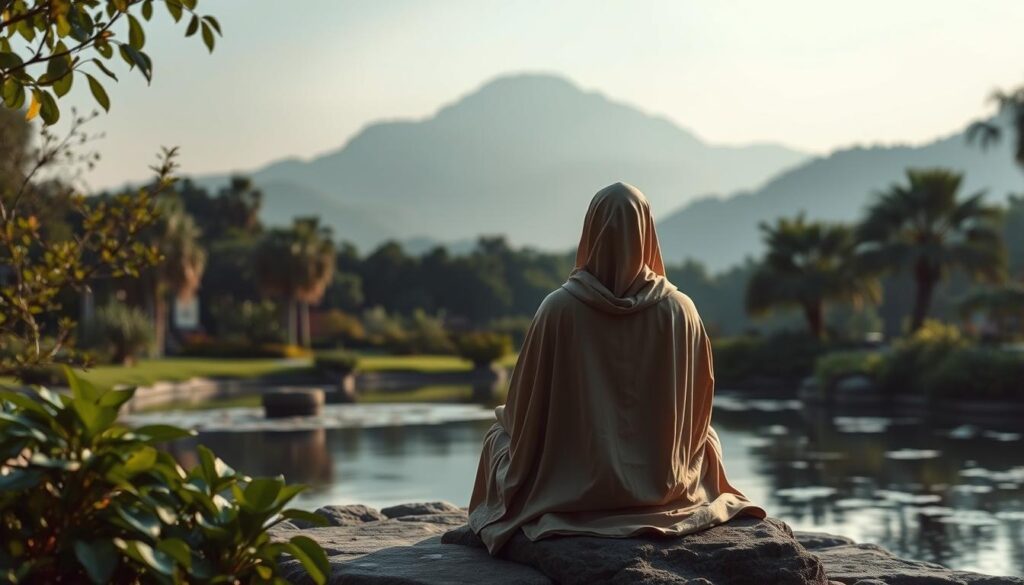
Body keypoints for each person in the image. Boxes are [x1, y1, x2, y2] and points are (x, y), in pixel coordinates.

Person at [468, 182, 765, 554]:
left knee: (497, 437)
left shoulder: (558, 310)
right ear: (648, 233)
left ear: (590, 231)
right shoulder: (681, 312)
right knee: (709, 442)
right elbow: (697, 417)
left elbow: (523, 412)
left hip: (570, 491)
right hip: (665, 486)